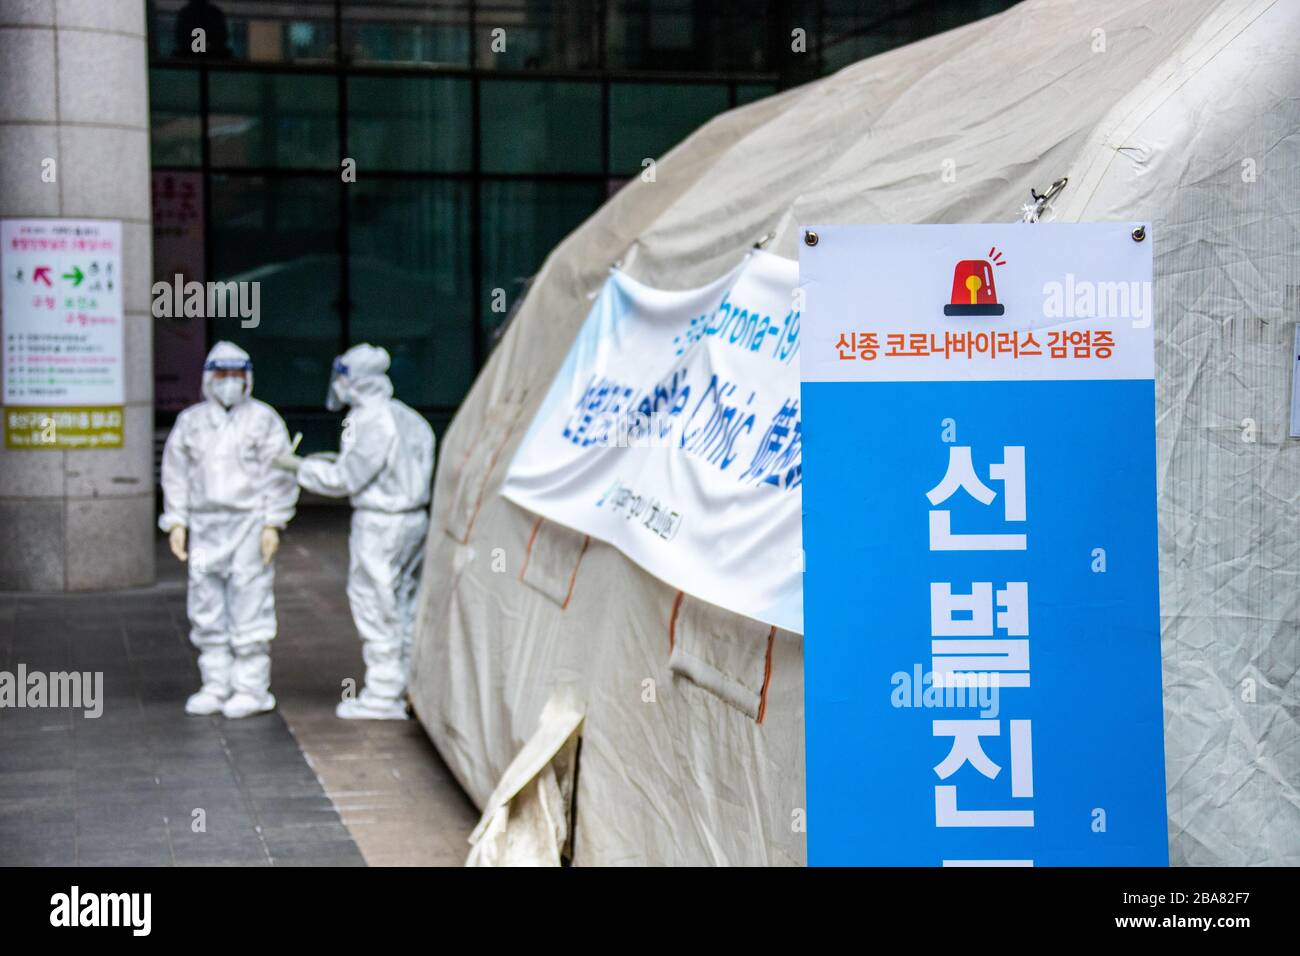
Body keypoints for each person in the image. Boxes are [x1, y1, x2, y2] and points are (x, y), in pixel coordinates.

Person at [274, 344, 434, 720]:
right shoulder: (406, 416)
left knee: (375, 604)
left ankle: (383, 695)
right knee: (404, 603)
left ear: (355, 380)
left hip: (381, 523)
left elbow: (346, 479)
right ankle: (409, 685)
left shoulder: (370, 419)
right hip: (412, 519)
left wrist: (300, 468)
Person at [160, 342, 298, 718]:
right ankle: (215, 683)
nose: (229, 383)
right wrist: (177, 520)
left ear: (248, 378)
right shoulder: (192, 421)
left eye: (237, 375)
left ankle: (251, 688)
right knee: (205, 603)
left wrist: (273, 522)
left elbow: (279, 475)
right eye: (221, 375)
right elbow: (176, 474)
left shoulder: (263, 419)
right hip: (205, 527)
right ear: (208, 377)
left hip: (248, 525)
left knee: (250, 602)